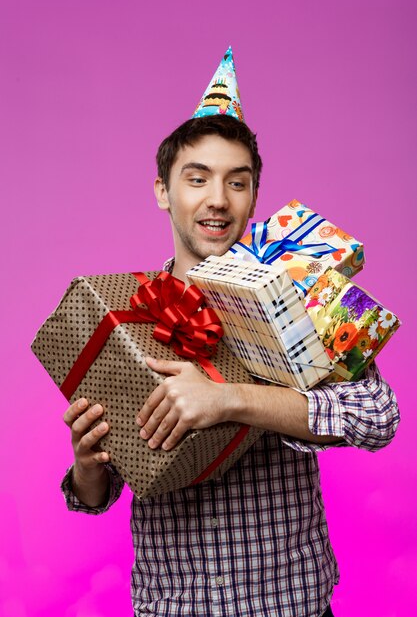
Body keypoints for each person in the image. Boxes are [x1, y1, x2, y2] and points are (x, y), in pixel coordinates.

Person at [61, 49, 399, 617]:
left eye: (236, 182)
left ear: (252, 198)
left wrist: (228, 400)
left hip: (291, 603)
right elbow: (97, 498)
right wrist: (88, 467)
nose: (218, 199)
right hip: (172, 605)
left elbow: (377, 417)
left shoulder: (300, 294)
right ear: (163, 192)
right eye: (197, 179)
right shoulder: (127, 315)